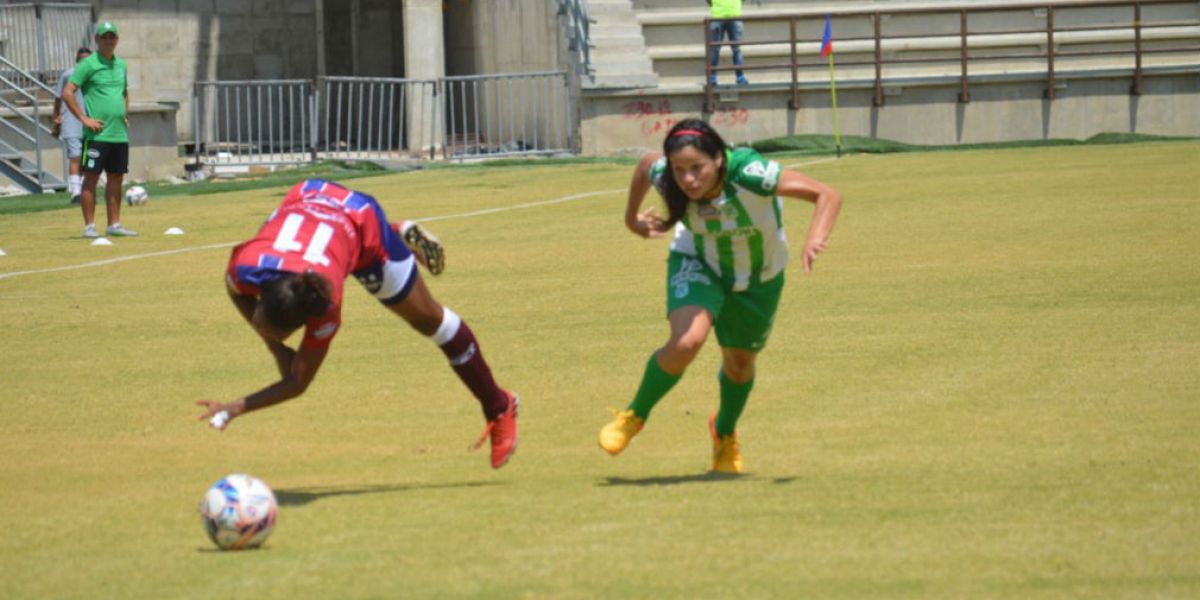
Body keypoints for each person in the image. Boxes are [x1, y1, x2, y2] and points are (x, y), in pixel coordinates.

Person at [195, 179, 519, 469]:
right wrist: (277, 348)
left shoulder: (326, 307)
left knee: (431, 321)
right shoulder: (245, 267)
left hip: (363, 229)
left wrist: (235, 407)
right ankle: (398, 239)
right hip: (311, 194)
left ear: (307, 321)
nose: (258, 326)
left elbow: (298, 383)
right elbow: (235, 291)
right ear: (261, 294)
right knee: (336, 250)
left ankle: (499, 405)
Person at [598, 118, 841, 474]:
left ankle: (724, 433)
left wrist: (815, 237)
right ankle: (634, 415)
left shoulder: (751, 173)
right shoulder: (668, 173)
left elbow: (827, 194)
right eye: (680, 171)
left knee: (740, 365)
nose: (688, 180)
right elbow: (647, 163)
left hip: (759, 276)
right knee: (686, 342)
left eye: (697, 168)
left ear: (719, 160)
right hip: (699, 261)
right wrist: (631, 219)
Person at [61, 21, 135, 239]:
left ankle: (114, 224)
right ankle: (90, 226)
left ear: (117, 40)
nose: (109, 40)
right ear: (97, 40)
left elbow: (124, 92)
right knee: (91, 177)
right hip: (96, 135)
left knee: (116, 178)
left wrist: (125, 113)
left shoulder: (121, 65)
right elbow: (68, 93)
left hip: (118, 134)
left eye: (112, 37)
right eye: (105, 37)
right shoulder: (88, 64)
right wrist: (84, 119)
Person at [52, 47, 92, 205]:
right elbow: (58, 98)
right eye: (81, 60)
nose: (84, 63)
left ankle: (85, 191)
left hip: (90, 123)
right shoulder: (69, 74)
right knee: (75, 157)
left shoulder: (95, 76)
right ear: (77, 61)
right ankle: (75, 193)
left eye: (87, 60)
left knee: (87, 159)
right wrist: (56, 119)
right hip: (71, 123)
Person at [706, 0, 748, 86]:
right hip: (718, 16)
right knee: (715, 49)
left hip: (734, 15)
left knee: (736, 49)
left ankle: (740, 76)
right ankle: (713, 77)